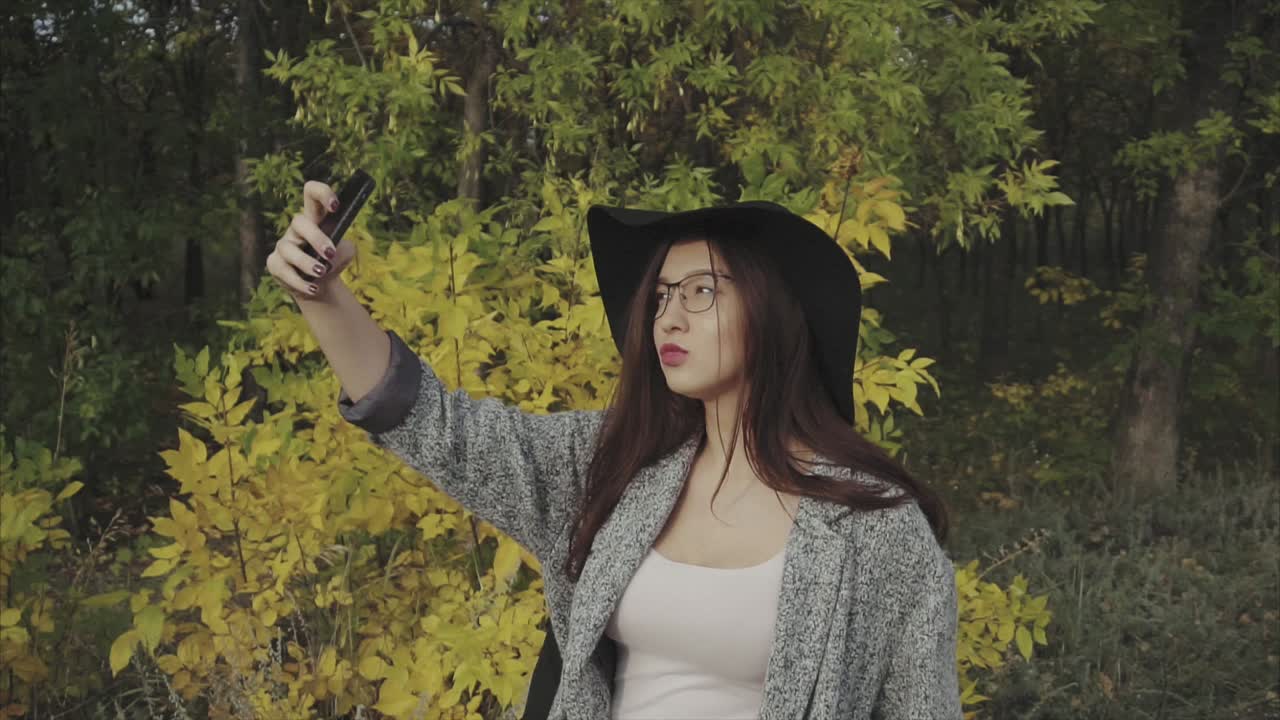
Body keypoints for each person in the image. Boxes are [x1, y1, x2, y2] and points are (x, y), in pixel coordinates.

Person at [266, 181, 963, 720]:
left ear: (775, 309)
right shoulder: (612, 463)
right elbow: (435, 425)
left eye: (701, 291)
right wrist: (321, 295)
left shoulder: (877, 531)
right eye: (660, 296)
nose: (669, 317)